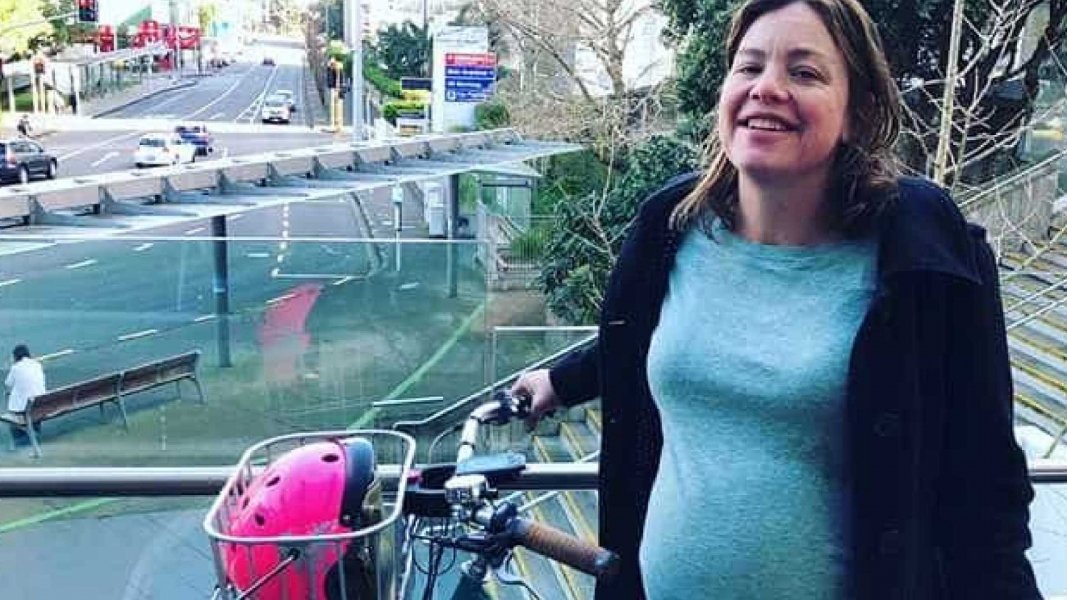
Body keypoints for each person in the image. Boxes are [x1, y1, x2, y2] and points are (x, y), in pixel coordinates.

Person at [511, 0, 1040, 598]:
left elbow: (987, 495)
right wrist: (563, 380)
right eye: (749, 66)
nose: (767, 88)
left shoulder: (925, 260)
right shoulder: (668, 229)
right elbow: (649, 339)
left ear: (858, 113)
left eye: (804, 72)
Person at [5, 344, 46, 443]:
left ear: (16, 356)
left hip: (24, 408)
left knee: (14, 416)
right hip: (39, 404)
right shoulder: (37, 364)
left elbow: (8, 383)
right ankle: (35, 432)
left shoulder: (15, 368)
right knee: (33, 409)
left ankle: (20, 442)